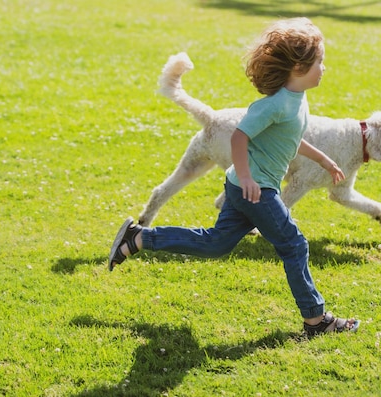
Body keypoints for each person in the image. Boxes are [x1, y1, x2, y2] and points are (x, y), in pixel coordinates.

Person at [108, 18, 359, 335]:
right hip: (256, 191)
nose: (324, 68)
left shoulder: (296, 100)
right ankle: (317, 321)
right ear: (298, 66)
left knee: (216, 244)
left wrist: (324, 159)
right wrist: (248, 178)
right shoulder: (275, 104)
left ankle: (139, 237)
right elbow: (239, 137)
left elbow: (291, 137)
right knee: (295, 246)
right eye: (320, 62)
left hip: (244, 188)